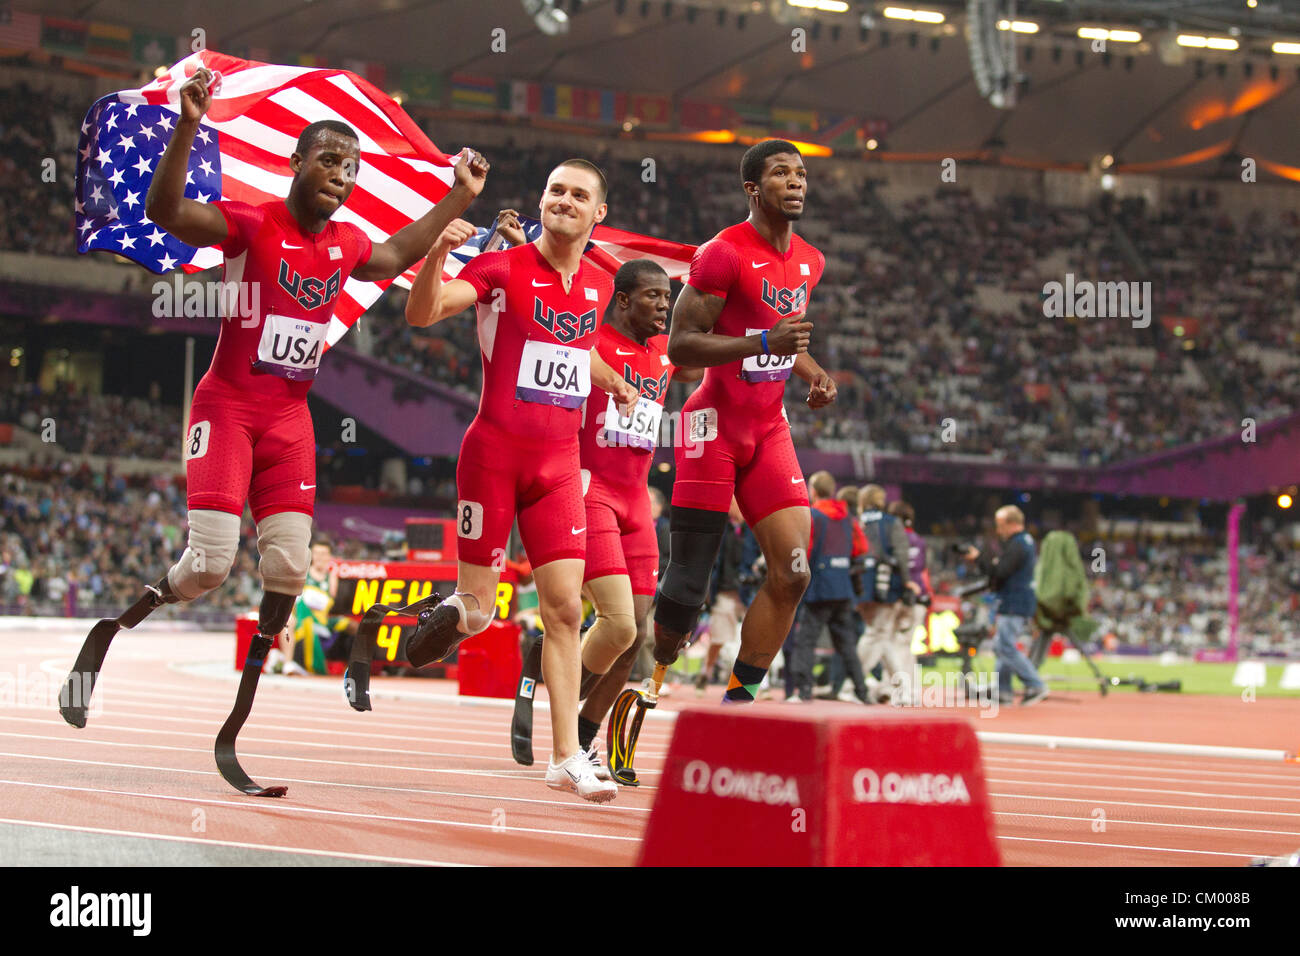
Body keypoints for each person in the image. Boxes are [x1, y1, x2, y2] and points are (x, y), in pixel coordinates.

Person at [59, 66, 489, 778]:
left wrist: (456, 197)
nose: (341, 175)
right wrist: (190, 125)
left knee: (288, 568)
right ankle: (111, 629)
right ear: (296, 162)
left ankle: (236, 725)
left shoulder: (348, 242)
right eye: (328, 160)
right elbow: (168, 211)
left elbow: (393, 257)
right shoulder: (254, 222)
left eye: (349, 168)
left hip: (290, 420)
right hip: (228, 408)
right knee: (209, 565)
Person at [403, 158, 639, 802]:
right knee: (480, 612)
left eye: (579, 194)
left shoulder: (594, 286)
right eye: (555, 190)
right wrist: (436, 253)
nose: (564, 199)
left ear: (599, 214)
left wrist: (612, 380)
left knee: (565, 610)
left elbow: (573, 345)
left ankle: (567, 757)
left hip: (561, 467)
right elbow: (422, 315)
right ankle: (454, 611)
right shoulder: (500, 269)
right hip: (493, 459)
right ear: (542, 202)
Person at [652, 139, 838, 704]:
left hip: (768, 429)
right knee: (688, 585)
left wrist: (811, 371)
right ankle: (639, 684)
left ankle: (737, 703)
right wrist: (766, 341)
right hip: (712, 424)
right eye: (781, 173)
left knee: (795, 573)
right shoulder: (721, 253)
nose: (796, 182)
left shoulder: (811, 260)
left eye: (801, 173)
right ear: (753, 188)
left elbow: (782, 335)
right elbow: (680, 348)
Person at [564, 259, 701, 773]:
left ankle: (582, 738)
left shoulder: (666, 352)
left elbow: (701, 357)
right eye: (654, 297)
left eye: (669, 297)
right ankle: (556, 697)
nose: (665, 305)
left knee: (636, 633)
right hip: (591, 489)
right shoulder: (589, 342)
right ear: (622, 300)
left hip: (637, 501)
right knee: (618, 623)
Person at [788, 471, 871, 703]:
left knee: (805, 641)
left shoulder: (813, 515)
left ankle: (803, 692)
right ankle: (862, 692)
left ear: (813, 490)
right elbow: (860, 548)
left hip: (819, 589)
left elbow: (805, 549)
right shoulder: (847, 518)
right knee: (847, 645)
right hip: (842, 588)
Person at [963, 505, 1049, 706]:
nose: (998, 530)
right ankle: (1003, 690)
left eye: (1000, 525)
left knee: (1005, 646)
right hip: (1015, 601)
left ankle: (1035, 684)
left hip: (1014, 602)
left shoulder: (1018, 544)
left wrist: (979, 559)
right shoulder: (1023, 542)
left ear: (1012, 524)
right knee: (1002, 645)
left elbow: (1000, 571)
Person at [856, 484, 918, 701]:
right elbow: (902, 556)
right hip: (885, 587)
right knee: (877, 634)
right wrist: (907, 582)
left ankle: (904, 690)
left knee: (882, 637)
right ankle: (852, 683)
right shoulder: (891, 523)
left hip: (859, 586)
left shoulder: (857, 522)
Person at [887, 500, 930, 704]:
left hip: (898, 595)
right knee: (906, 646)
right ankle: (911, 691)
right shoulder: (919, 540)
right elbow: (922, 568)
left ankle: (899, 690)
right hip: (918, 595)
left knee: (892, 644)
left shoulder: (892, 538)